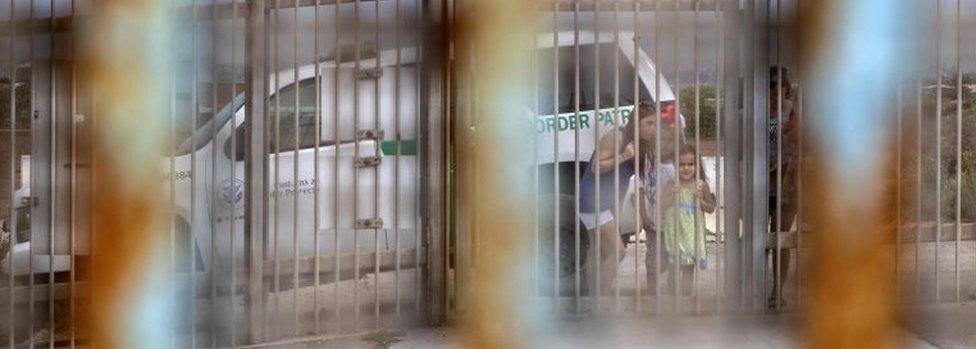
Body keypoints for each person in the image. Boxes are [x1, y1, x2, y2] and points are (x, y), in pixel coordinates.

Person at [580, 101, 659, 296]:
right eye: (649, 123)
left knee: (597, 251)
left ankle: (593, 298)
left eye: (655, 124)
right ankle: (601, 299)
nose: (653, 128)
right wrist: (624, 156)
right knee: (618, 252)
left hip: (605, 202)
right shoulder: (618, 136)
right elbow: (596, 168)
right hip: (593, 200)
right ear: (637, 122)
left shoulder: (640, 145)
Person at [659, 144, 716, 295]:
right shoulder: (671, 184)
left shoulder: (701, 186)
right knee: (674, 267)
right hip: (675, 233)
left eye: (690, 164)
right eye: (682, 164)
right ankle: (672, 302)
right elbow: (661, 205)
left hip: (692, 235)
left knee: (688, 269)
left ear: (697, 165)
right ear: (675, 166)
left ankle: (686, 299)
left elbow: (711, 208)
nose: (686, 168)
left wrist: (701, 202)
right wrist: (672, 194)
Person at [767, 65, 799, 308]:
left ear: (787, 89)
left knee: (781, 238)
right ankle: (757, 286)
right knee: (760, 239)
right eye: (771, 85)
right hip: (759, 182)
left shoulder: (793, 115)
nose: (776, 89)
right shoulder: (754, 113)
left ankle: (778, 290)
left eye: (780, 85)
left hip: (786, 182)